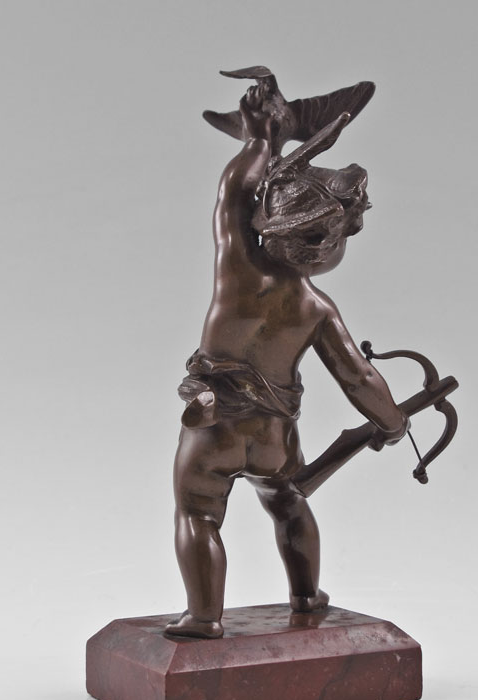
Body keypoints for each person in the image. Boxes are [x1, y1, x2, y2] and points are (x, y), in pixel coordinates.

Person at [165, 88, 408, 638]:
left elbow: (233, 191)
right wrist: (392, 422)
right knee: (289, 502)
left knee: (198, 513)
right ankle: (306, 596)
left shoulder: (238, 266)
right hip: (274, 438)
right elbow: (359, 377)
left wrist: (258, 138)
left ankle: (204, 618)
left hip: (213, 430)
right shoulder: (316, 308)